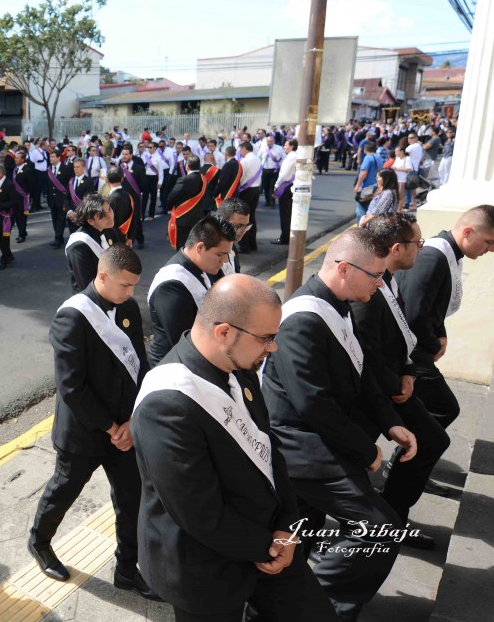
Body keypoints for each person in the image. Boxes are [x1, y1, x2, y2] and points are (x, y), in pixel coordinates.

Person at [133, 274, 338, 622]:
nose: (272, 347)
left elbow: (269, 451)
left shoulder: (236, 364)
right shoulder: (166, 404)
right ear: (224, 332)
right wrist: (271, 546)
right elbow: (201, 514)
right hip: (206, 567)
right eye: (266, 338)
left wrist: (288, 526)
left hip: (270, 540)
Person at [262, 229, 417, 621]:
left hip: (320, 436)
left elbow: (360, 372)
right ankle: (321, 609)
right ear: (345, 269)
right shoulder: (303, 318)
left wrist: (390, 423)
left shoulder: (341, 303)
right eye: (375, 274)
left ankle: (297, 603)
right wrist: (368, 453)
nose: (381, 282)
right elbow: (314, 403)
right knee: (379, 528)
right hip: (296, 445)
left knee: (301, 536)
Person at [29, 245, 159, 601]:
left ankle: (127, 569)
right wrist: (110, 427)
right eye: (124, 285)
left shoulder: (129, 308)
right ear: (102, 276)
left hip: (126, 429)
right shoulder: (72, 316)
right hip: (86, 431)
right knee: (63, 491)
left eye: (134, 286)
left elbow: (139, 368)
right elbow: (71, 386)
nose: (131, 293)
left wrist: (133, 420)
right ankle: (39, 542)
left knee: (131, 499)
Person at [354, 214, 448, 550]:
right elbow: (368, 355)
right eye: (417, 243)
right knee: (347, 472)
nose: (421, 249)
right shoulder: (369, 288)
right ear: (397, 248)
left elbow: (402, 334)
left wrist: (409, 371)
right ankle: (385, 523)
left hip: (396, 381)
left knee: (433, 439)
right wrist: (397, 384)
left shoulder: (390, 279)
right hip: (376, 393)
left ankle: (392, 517)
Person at [397, 206, 494, 433]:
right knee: (444, 409)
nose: (493, 249)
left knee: (408, 412)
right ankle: (404, 462)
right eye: (489, 241)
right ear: (468, 232)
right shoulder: (433, 257)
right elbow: (413, 315)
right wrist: (433, 343)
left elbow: (433, 305)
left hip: (418, 345)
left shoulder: (448, 253)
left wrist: (441, 333)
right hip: (409, 351)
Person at [148, 215, 235, 365]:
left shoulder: (206, 265)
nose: (225, 260)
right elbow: (183, 341)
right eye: (220, 254)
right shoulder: (171, 285)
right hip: (175, 367)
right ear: (200, 247)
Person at [64, 194, 118, 293]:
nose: (110, 216)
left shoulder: (109, 230)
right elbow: (85, 285)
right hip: (91, 301)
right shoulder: (79, 245)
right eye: (103, 215)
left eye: (109, 209)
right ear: (90, 220)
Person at [164, 155, 207, 250]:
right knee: (195, 245)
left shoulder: (183, 180)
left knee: (182, 246)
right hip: (198, 216)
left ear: (187, 166)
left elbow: (172, 197)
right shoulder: (203, 179)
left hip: (183, 218)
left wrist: (169, 207)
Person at [272, 138, 299, 245]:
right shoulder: (294, 156)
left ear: (292, 146)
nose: (284, 147)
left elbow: (284, 174)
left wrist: (277, 184)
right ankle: (287, 235)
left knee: (285, 214)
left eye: (286, 145)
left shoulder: (291, 157)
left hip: (287, 185)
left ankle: (285, 237)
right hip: (292, 185)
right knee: (289, 213)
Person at [236, 142, 261, 253]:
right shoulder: (257, 159)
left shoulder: (245, 161)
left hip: (246, 190)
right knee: (252, 217)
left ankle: (244, 246)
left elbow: (241, 176)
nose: (240, 152)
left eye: (240, 150)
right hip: (256, 189)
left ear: (244, 149)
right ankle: (252, 244)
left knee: (243, 218)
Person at [217, 198, 252, 275]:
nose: (243, 230)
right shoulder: (210, 250)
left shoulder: (232, 246)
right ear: (222, 222)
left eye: (246, 226)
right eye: (238, 226)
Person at [46, 150, 74, 249]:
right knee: (54, 219)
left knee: (61, 220)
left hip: (62, 199)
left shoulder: (66, 168)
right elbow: (49, 186)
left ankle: (58, 239)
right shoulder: (49, 169)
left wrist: (68, 198)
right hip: (52, 199)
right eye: (50, 157)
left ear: (58, 158)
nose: (51, 158)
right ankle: (58, 238)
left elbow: (70, 184)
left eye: (53, 156)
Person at [353, 140, 384, 223]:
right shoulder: (379, 158)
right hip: (376, 186)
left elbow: (364, 172)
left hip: (367, 187)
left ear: (365, 149)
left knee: (361, 210)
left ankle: (361, 228)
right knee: (372, 208)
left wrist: (357, 185)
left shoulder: (368, 158)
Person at [11, 150, 32, 243]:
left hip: (23, 198)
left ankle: (22, 235)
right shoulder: (15, 169)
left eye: (17, 158)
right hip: (15, 197)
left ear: (23, 160)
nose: (15, 159)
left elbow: (31, 184)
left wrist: (30, 196)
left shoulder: (27, 170)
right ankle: (22, 231)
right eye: (15, 158)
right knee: (16, 216)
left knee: (22, 217)